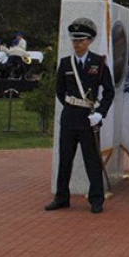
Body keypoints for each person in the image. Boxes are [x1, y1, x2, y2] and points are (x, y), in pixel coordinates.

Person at [45, 17, 114, 214]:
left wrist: (100, 113)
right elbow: (60, 91)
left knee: (92, 160)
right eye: (74, 40)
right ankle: (61, 197)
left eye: (81, 40)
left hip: (89, 119)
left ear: (89, 41)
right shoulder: (66, 64)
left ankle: (96, 199)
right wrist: (72, 106)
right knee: (65, 159)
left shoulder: (99, 63)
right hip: (69, 118)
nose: (77, 44)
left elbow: (109, 92)